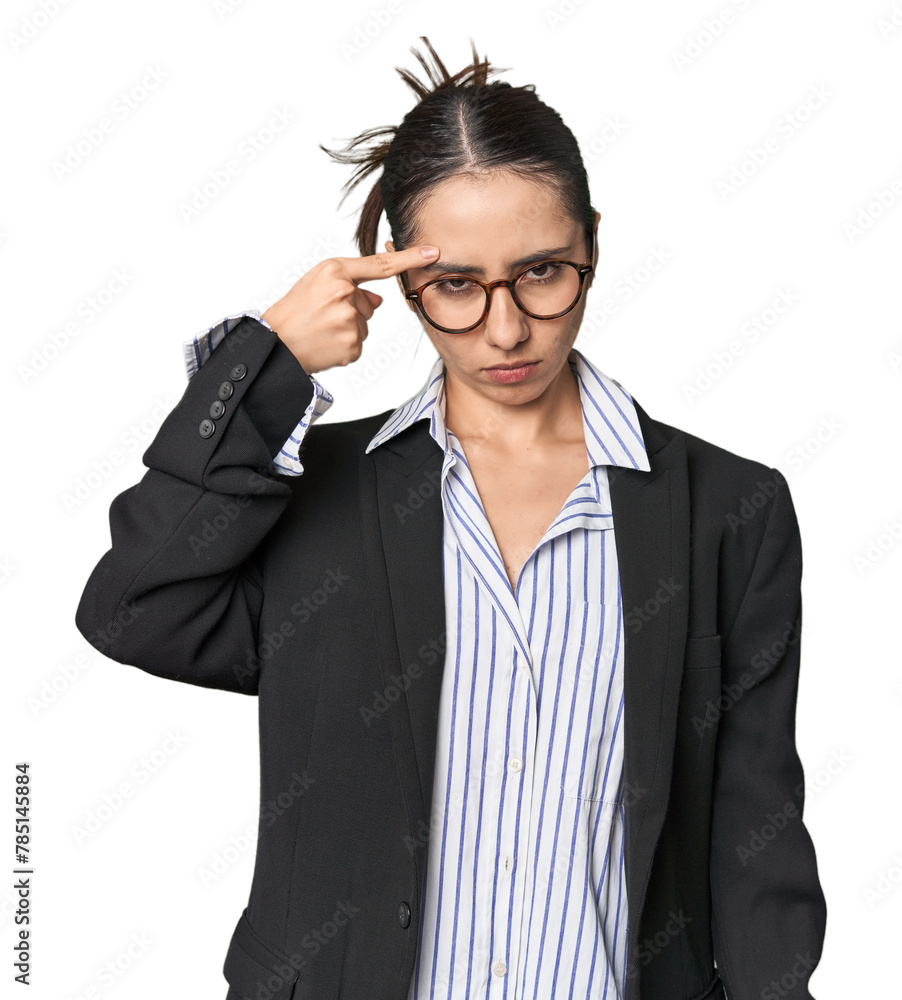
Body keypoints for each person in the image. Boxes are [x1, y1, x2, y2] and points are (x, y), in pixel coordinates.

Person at [75, 36, 827, 1000]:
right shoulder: (318, 496)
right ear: (399, 283)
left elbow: (753, 821)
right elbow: (135, 608)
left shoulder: (729, 509)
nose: (507, 330)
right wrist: (266, 369)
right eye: (456, 287)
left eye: (543, 273)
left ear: (592, 243)